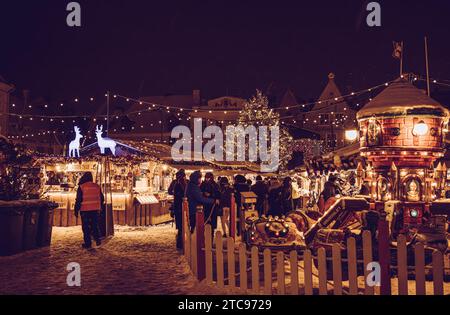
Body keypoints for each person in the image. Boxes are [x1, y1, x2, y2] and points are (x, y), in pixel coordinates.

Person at [74, 172, 104, 249]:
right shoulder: (97, 186)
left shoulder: (81, 187)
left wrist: (76, 210)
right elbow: (102, 198)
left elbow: (78, 200)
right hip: (95, 209)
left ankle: (88, 243)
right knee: (95, 225)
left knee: (86, 227)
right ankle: (97, 239)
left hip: (85, 209)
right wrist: (99, 206)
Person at [168, 169, 187, 250]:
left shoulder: (175, 183)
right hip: (183, 206)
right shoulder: (185, 183)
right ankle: (181, 243)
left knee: (180, 226)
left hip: (178, 206)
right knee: (182, 225)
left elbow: (169, 191)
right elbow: (170, 191)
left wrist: (174, 193)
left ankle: (180, 243)